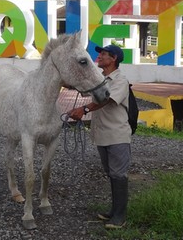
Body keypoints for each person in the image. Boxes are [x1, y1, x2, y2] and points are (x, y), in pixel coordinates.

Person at [68, 44, 131, 229]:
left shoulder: (121, 80)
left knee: (119, 175)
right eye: (101, 54)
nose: (100, 57)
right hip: (102, 135)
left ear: (114, 59)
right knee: (112, 174)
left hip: (117, 135)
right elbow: (85, 90)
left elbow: (106, 100)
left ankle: (120, 217)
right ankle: (114, 211)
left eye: (104, 54)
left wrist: (84, 109)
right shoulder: (101, 79)